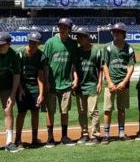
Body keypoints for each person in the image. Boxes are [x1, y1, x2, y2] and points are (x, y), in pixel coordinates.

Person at [43, 18, 79, 147]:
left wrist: (75, 78)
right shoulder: (50, 43)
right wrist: (46, 81)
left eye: (65, 27)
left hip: (66, 83)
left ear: (70, 29)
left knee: (64, 111)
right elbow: (45, 64)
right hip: (52, 84)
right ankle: (50, 138)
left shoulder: (72, 44)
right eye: (60, 27)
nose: (62, 29)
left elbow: (73, 64)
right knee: (50, 111)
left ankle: (64, 136)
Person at [102, 22, 135, 144]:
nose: (115, 33)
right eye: (114, 31)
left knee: (121, 109)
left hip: (123, 83)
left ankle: (121, 133)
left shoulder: (129, 48)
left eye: (118, 32)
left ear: (123, 34)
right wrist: (109, 82)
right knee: (107, 109)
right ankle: (106, 135)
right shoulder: (108, 47)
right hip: (110, 83)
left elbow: (131, 66)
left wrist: (124, 82)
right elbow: (104, 65)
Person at [15, 31, 46, 149]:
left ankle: (34, 138)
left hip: (34, 89)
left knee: (35, 113)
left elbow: (40, 76)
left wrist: (41, 94)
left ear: (39, 44)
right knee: (21, 113)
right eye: (31, 42)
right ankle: (18, 140)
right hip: (21, 88)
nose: (32, 44)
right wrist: (20, 89)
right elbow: (17, 74)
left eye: (35, 43)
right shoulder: (20, 54)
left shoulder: (40, 56)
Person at [0, 32, 21, 153]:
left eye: (1, 45)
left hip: (6, 84)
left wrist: (13, 94)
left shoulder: (13, 55)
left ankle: (9, 142)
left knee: (8, 109)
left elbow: (16, 75)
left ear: (9, 44)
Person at [75, 28, 103, 145]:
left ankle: (95, 135)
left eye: (81, 37)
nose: (79, 39)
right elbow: (74, 68)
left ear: (87, 37)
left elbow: (100, 68)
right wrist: (75, 80)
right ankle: (85, 133)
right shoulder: (77, 51)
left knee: (93, 111)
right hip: (80, 86)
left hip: (92, 84)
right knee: (82, 111)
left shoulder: (96, 50)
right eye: (78, 37)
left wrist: (100, 83)